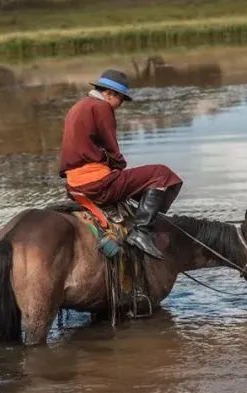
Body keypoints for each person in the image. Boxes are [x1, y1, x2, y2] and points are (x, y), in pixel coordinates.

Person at [58, 69, 183, 259]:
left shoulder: (78, 106)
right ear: (110, 93)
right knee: (163, 174)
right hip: (97, 184)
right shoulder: (102, 108)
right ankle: (142, 230)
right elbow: (114, 152)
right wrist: (119, 165)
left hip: (73, 183)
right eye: (121, 99)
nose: (120, 105)